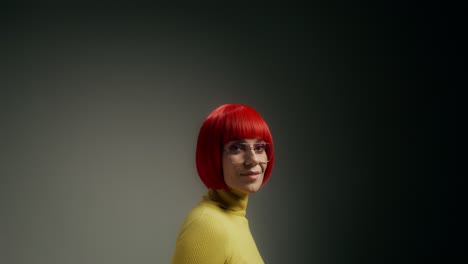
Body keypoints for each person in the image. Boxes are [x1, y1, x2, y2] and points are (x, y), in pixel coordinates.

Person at [170, 103, 275, 264]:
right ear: (214, 155)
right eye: (236, 148)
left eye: (259, 147)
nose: (253, 159)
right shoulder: (207, 224)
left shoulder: (235, 218)